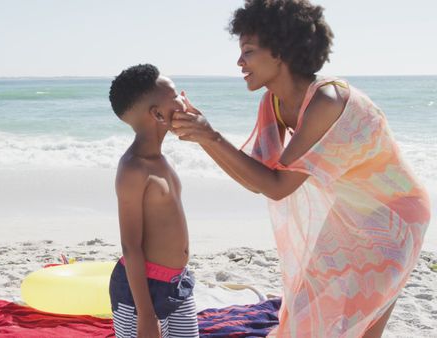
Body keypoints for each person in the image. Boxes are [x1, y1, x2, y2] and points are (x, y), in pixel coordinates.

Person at [171, 1, 430, 337]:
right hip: (352, 209)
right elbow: (259, 181)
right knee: (306, 309)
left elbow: (279, 186)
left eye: (248, 51)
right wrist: (203, 137)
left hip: (397, 213)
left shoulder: (327, 101)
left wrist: (210, 135)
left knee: (358, 325)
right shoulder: (273, 101)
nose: (239, 62)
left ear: (279, 52)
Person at [108, 64, 199, 338]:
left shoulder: (162, 160)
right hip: (141, 294)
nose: (183, 98)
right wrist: (146, 315)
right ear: (157, 113)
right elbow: (131, 245)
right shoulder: (134, 168)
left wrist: (199, 126)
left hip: (177, 284)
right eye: (174, 95)